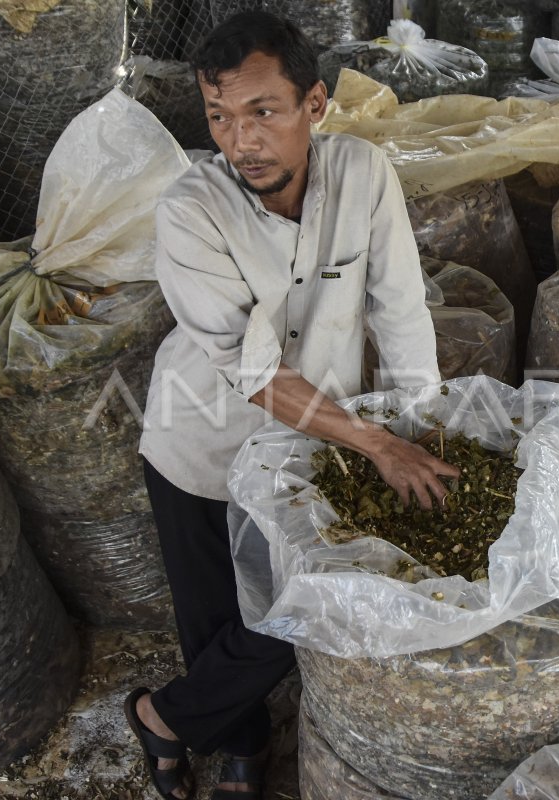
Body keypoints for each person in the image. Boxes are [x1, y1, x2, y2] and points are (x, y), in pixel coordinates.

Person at [126, 11, 458, 800]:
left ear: (314, 105)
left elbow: (401, 309)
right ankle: (240, 747)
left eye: (262, 112)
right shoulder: (190, 211)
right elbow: (258, 375)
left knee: (294, 611)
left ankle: (159, 717)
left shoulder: (363, 174)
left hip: (311, 447)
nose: (241, 141)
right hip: (200, 445)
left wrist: (420, 425)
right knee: (215, 620)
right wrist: (378, 444)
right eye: (219, 117)